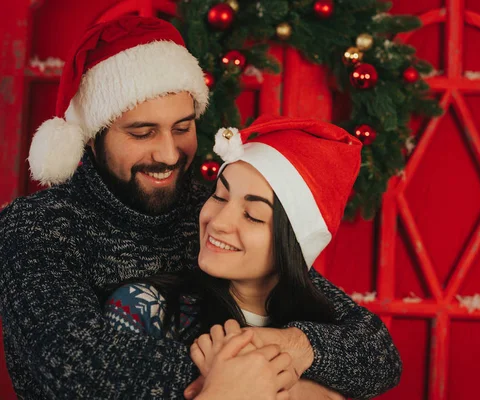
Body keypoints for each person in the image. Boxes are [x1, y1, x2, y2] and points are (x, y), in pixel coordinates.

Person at [0, 15, 401, 399]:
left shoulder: (209, 207)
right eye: (143, 133)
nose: (170, 154)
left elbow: (372, 348)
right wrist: (272, 386)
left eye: (182, 127)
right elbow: (74, 370)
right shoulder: (37, 226)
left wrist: (300, 346)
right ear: (92, 137)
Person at [105, 116, 384, 399]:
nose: (218, 222)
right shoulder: (144, 309)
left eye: (252, 216)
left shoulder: (330, 332)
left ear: (291, 245)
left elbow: (384, 359)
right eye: (219, 196)